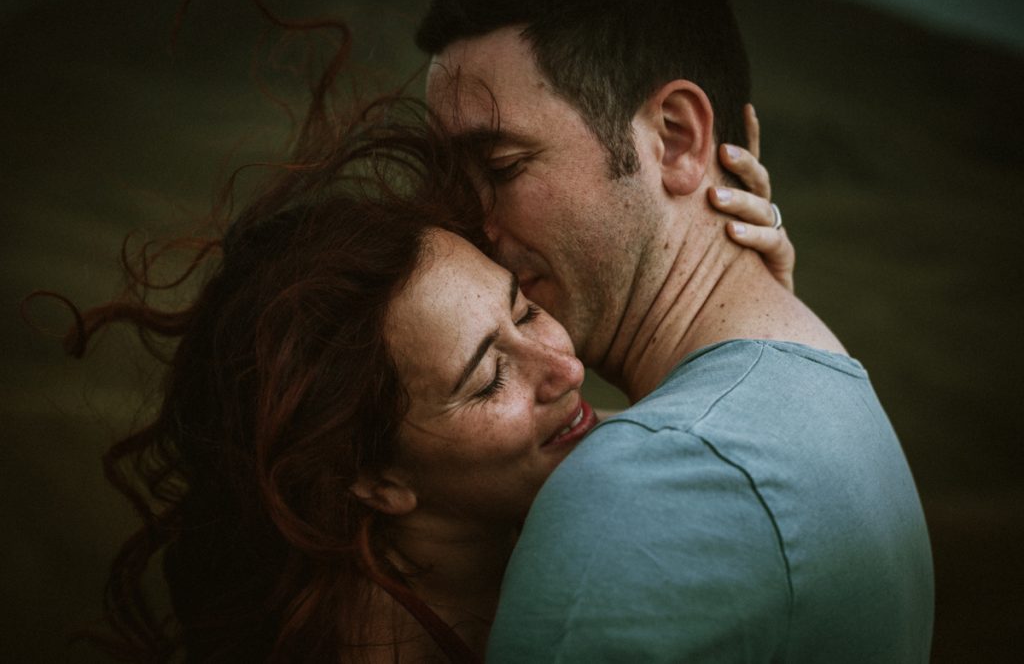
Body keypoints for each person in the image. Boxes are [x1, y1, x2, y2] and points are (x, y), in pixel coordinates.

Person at [43, 38, 786, 661]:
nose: (563, 366)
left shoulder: (518, 545)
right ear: (375, 480)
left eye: (524, 310)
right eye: (489, 375)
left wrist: (749, 304)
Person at [416, 0, 934, 661]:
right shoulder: (815, 380)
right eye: (451, 180)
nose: (468, 223)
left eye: (500, 166)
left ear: (676, 138)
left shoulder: (651, 485)